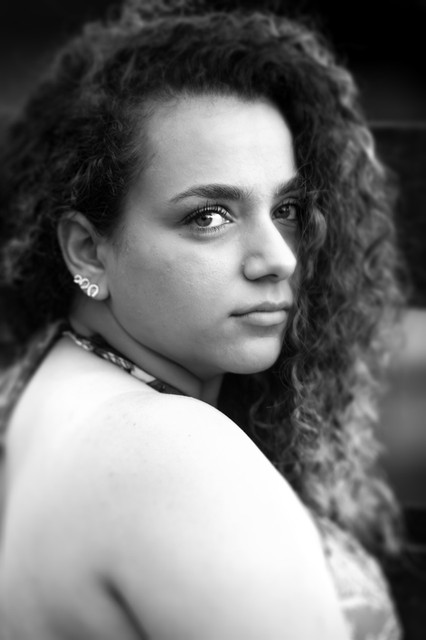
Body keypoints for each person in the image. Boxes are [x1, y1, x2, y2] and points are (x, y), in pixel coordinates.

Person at [0, 0, 404, 638]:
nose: (278, 258)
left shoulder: (50, 382)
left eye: (287, 209)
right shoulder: (173, 452)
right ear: (88, 251)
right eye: (209, 216)